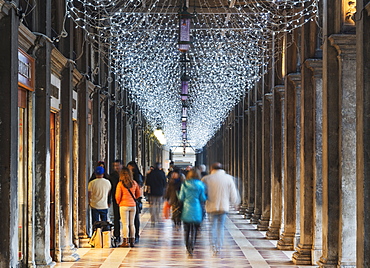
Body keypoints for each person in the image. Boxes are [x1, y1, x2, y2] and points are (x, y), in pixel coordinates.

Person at [202, 162, 240, 255]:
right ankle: (219, 246)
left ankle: (213, 246)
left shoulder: (206, 179)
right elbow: (233, 192)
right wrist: (235, 202)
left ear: (211, 169)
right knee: (221, 227)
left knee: (212, 227)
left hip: (211, 206)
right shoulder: (228, 178)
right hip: (224, 206)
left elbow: (202, 192)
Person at [178, 169, 207, 256]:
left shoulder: (184, 185)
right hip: (197, 209)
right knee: (195, 230)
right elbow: (202, 198)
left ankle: (188, 247)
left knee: (187, 230)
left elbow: (181, 198)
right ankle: (192, 246)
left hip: (186, 209)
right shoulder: (201, 185)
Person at [115, 167, 141, 247]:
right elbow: (138, 194)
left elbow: (117, 196)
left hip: (123, 205)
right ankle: (132, 240)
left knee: (125, 224)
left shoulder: (120, 184)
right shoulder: (134, 183)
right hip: (133, 205)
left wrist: (119, 202)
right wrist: (133, 199)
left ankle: (125, 241)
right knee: (132, 223)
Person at [127, 161, 144, 243]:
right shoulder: (126, 177)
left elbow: (139, 189)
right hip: (129, 200)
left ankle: (135, 235)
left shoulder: (137, 177)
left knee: (135, 219)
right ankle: (130, 235)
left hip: (134, 200)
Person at [109, 159, 123, 243]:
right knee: (116, 218)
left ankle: (128, 236)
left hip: (125, 199)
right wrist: (109, 199)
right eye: (115, 166)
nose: (116, 167)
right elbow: (110, 189)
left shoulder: (125, 175)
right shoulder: (112, 176)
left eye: (117, 165)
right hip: (115, 199)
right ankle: (116, 235)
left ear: (121, 165)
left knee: (126, 220)